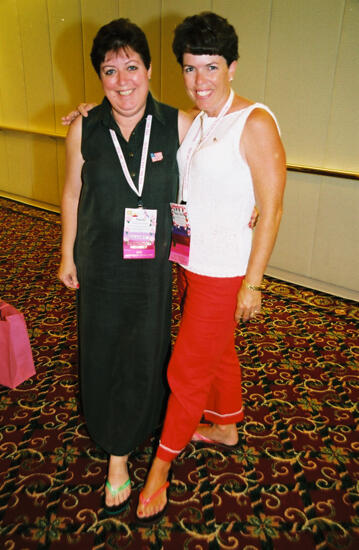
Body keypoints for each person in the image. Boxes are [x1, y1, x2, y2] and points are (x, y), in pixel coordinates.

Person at [135, 12, 286, 524]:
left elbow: (273, 206)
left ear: (233, 67)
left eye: (212, 68)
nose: (200, 82)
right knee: (219, 352)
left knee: (189, 366)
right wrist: (94, 111)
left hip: (226, 273)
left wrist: (254, 283)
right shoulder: (199, 121)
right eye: (190, 69)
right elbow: (146, 113)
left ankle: (161, 465)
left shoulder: (255, 121)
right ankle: (225, 426)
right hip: (191, 261)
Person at [58, 18, 191, 515]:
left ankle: (141, 430)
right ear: (100, 78)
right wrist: (66, 252)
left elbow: (224, 147)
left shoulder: (178, 124)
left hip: (152, 265)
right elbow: (72, 194)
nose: (123, 80)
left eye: (132, 66)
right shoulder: (84, 127)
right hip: (100, 261)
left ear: (150, 70)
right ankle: (117, 454)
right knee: (103, 349)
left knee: (145, 350)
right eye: (110, 71)